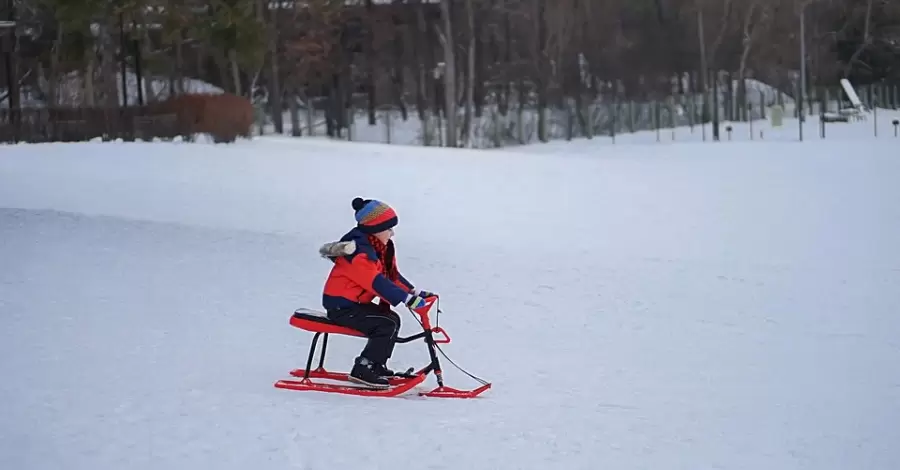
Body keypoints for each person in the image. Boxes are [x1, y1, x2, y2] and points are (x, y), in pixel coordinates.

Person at [319, 197, 436, 388]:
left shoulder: (380, 247)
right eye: (389, 229)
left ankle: (376, 364)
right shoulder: (357, 253)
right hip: (341, 306)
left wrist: (415, 292)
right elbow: (376, 282)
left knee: (392, 320)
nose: (392, 233)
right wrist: (408, 300)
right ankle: (363, 369)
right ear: (375, 229)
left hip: (356, 304)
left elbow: (390, 276)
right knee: (385, 324)